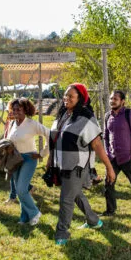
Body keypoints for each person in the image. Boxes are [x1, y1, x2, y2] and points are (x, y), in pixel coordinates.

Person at [48, 83, 116, 245]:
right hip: (61, 164)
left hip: (76, 166)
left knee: (66, 199)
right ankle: (94, 221)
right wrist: (50, 159)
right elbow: (56, 139)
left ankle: (62, 233)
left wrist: (109, 167)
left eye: (71, 96)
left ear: (80, 99)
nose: (67, 99)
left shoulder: (86, 118)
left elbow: (97, 145)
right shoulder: (64, 115)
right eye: (65, 95)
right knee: (75, 194)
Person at [102, 90, 131, 216]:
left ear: (122, 101)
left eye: (115, 99)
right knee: (108, 182)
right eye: (111, 98)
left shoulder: (130, 114)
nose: (112, 101)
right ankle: (110, 210)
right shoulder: (107, 116)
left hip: (128, 156)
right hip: (112, 157)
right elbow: (106, 136)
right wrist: (107, 152)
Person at [6, 98, 49, 226]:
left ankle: (35, 212)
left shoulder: (32, 124)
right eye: (13, 109)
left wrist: (42, 154)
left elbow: (50, 135)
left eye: (18, 109)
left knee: (21, 189)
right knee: (20, 190)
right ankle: (24, 218)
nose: (15, 111)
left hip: (29, 159)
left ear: (25, 109)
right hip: (15, 160)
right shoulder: (13, 123)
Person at [3, 101, 34, 204]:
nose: (12, 113)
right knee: (15, 175)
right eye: (11, 111)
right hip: (12, 152)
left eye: (16, 110)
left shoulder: (25, 124)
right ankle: (29, 188)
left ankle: (13, 196)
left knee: (13, 175)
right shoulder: (11, 122)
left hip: (20, 154)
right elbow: (7, 135)